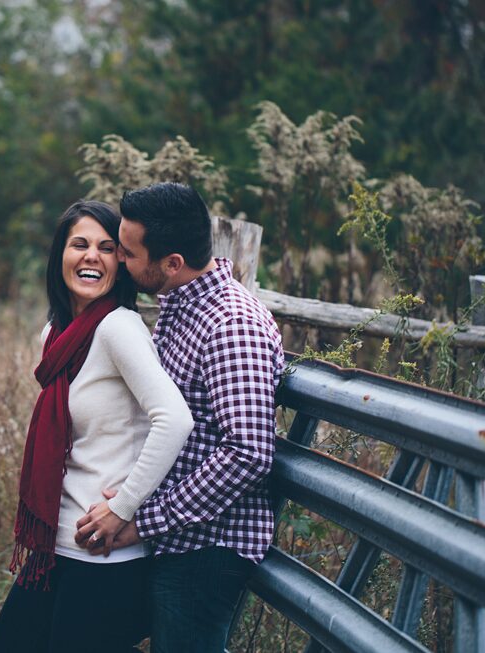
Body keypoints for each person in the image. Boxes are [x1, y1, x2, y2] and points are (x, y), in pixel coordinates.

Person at [75, 182, 285, 653]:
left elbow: (248, 454)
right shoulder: (180, 303)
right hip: (175, 533)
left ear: (172, 263)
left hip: (207, 548)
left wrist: (140, 520)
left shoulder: (232, 325)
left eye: (127, 253)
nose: (120, 262)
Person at [0, 200, 194, 653]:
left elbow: (175, 419)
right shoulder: (55, 335)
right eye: (79, 244)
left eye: (107, 248)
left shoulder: (119, 328)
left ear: (120, 265)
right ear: (60, 254)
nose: (91, 257)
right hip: (55, 545)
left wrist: (123, 506)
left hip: (103, 555)